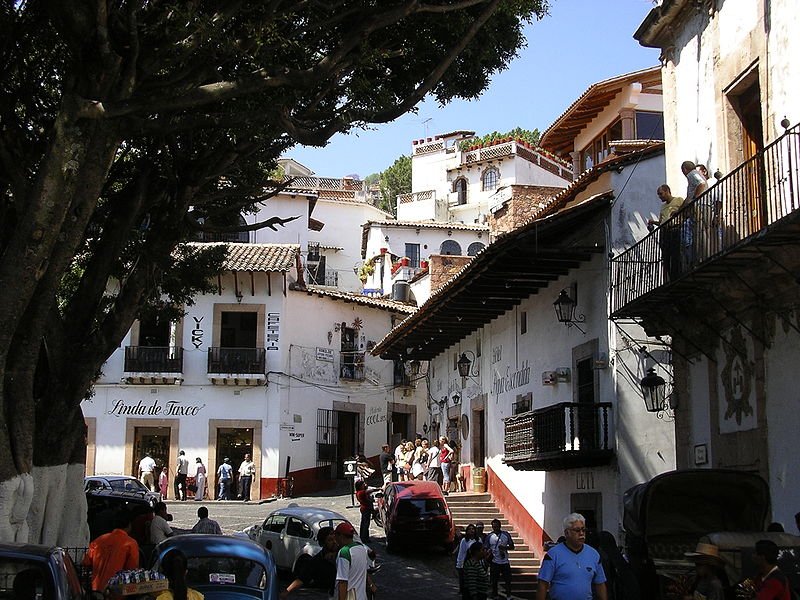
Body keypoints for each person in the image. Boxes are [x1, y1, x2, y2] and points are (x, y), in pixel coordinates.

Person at [536, 513, 607, 600]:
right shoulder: (553, 555)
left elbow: (600, 584)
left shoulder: (594, 555)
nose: (581, 534)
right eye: (577, 530)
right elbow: (542, 584)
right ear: (567, 533)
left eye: (583, 530)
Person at [83, 509, 140, 593]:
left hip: (96, 590)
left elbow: (86, 562)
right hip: (117, 591)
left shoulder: (98, 541)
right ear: (129, 525)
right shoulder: (130, 543)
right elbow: (132, 569)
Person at [281, 526, 339, 599]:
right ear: (322, 543)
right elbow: (302, 579)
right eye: (330, 540)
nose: (334, 542)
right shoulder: (316, 561)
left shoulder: (343, 554)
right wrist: (287, 591)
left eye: (335, 539)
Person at [648, 184, 685, 281]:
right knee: (666, 255)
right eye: (658, 195)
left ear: (667, 191)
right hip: (664, 232)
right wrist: (653, 222)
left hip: (675, 229)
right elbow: (661, 222)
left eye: (661, 194)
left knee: (675, 254)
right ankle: (670, 277)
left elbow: (685, 212)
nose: (660, 196)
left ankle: (676, 275)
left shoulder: (679, 200)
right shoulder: (662, 207)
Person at [335, 522, 376, 600]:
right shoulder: (362, 548)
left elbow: (343, 582)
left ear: (340, 536)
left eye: (336, 535)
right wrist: (371, 584)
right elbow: (364, 570)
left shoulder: (344, 552)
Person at [681, 160, 708, 269]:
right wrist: (680, 210)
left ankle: (703, 258)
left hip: (700, 206)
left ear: (684, 169)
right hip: (702, 205)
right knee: (701, 232)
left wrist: (695, 198)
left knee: (700, 232)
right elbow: (688, 197)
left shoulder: (691, 174)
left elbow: (701, 183)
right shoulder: (695, 174)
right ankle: (702, 257)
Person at [484, 518, 515, 600]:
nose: (495, 528)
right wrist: (488, 552)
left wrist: (505, 548)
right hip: (494, 561)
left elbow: (512, 546)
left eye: (497, 526)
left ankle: (509, 595)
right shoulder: (489, 536)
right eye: (494, 527)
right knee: (494, 580)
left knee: (507, 579)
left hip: (504, 561)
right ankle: (495, 594)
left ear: (500, 526)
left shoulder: (506, 535)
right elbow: (485, 547)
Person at [456, 524, 478, 597]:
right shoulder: (464, 540)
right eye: (470, 529)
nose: (471, 531)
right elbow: (461, 552)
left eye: (473, 529)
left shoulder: (478, 540)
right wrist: (460, 564)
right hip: (465, 562)